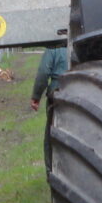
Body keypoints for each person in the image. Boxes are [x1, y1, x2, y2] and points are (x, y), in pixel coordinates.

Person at [31, 45, 68, 174]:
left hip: (58, 93)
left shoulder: (54, 48)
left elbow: (43, 72)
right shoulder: (84, 43)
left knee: (50, 138)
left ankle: (51, 173)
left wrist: (36, 96)